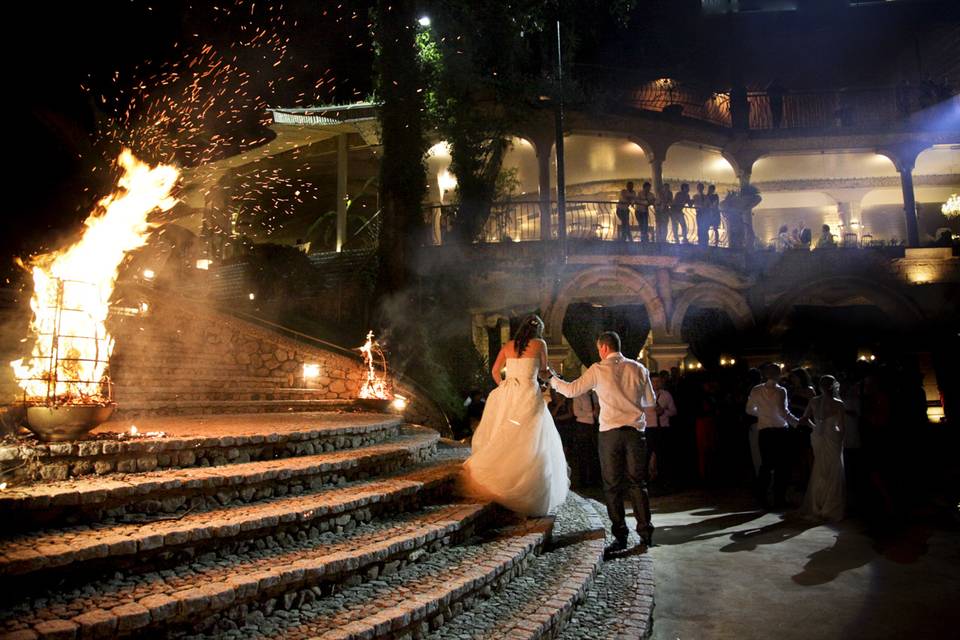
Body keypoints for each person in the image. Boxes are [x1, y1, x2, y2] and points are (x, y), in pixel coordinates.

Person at [549, 331, 657, 555]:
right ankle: (646, 535)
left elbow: (571, 390)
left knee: (612, 486)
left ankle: (620, 537)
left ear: (604, 348)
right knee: (638, 485)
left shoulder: (598, 370)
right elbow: (650, 401)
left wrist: (552, 379)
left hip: (610, 435)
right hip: (636, 433)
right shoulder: (638, 368)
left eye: (599, 349)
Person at [460, 315, 569, 516]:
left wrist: (505, 386)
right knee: (531, 438)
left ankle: (501, 477)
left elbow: (494, 371)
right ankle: (527, 488)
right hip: (528, 394)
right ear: (539, 330)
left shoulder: (509, 345)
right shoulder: (540, 343)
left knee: (507, 434)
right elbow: (543, 372)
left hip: (508, 395)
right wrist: (551, 376)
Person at [746, 363, 799, 509]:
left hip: (764, 431)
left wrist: (763, 414)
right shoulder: (781, 391)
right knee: (782, 466)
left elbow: (749, 409)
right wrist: (798, 423)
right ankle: (779, 499)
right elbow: (783, 412)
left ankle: (761, 497)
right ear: (777, 374)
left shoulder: (756, 390)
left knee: (766, 465)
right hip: (780, 431)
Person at [799, 375, 846, 521]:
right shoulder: (838, 403)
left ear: (820, 386)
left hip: (817, 436)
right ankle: (829, 504)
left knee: (819, 467)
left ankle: (817, 504)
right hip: (832, 437)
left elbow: (804, 419)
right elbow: (842, 427)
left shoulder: (814, 401)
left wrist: (816, 428)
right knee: (833, 468)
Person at [647, 374, 677, 487]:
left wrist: (663, 412)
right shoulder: (644, 395)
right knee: (649, 453)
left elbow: (674, 411)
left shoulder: (666, 395)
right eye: (653, 381)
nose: (655, 383)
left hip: (663, 428)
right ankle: (650, 476)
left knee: (663, 454)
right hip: (649, 428)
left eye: (658, 381)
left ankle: (664, 478)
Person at [571, 386, 602, 488]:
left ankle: (595, 479)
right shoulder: (579, 395)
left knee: (594, 453)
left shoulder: (594, 395)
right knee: (583, 454)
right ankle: (583, 480)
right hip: (583, 426)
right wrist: (591, 414)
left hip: (595, 426)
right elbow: (576, 412)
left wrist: (597, 414)